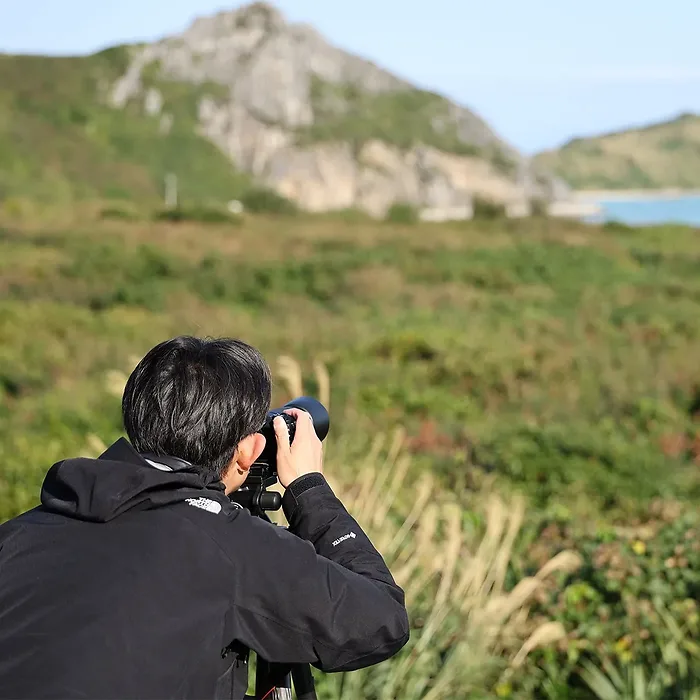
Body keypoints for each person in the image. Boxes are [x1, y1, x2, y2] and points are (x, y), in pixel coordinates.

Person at [0, 336, 409, 700]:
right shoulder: (227, 546)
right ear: (248, 452)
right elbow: (379, 620)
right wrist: (309, 488)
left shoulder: (21, 532)